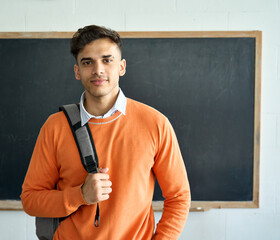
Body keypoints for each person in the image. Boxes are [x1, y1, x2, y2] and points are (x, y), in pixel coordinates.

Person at [21, 25, 191, 240]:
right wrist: (80, 196)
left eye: (107, 60)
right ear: (77, 71)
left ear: (122, 67)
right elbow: (31, 200)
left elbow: (178, 197)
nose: (97, 69)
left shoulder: (156, 124)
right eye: (87, 62)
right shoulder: (54, 127)